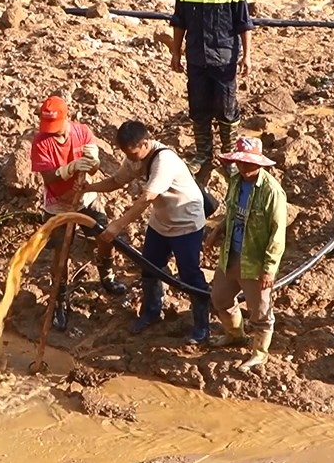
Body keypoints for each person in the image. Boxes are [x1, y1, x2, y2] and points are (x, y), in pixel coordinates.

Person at [81, 120, 211, 343]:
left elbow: (146, 199)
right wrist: (89, 187)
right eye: (127, 155)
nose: (131, 159)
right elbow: (116, 180)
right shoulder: (134, 159)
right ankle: (151, 311)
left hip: (185, 223)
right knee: (150, 267)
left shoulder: (164, 161)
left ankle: (202, 326)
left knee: (189, 274)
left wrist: (117, 225)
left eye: (133, 154)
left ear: (146, 143)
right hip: (161, 222)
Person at [30, 95, 127, 331]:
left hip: (86, 200)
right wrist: (69, 168)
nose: (52, 132)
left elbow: (94, 168)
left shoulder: (82, 132)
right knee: (61, 254)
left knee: (105, 235)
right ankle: (60, 298)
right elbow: (49, 178)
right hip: (57, 205)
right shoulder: (41, 142)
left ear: (68, 116)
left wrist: (92, 162)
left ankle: (107, 274)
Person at [169, 0, 255, 173]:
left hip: (224, 58)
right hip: (196, 57)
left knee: (227, 107)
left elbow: (244, 24)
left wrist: (246, 56)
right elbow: (179, 21)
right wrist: (176, 52)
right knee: (198, 106)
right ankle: (203, 153)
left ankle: (229, 155)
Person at [205, 137, 286, 372]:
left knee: (260, 312)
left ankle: (260, 353)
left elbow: (277, 234)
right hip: (231, 253)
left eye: (249, 164)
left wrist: (269, 268)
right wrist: (217, 231)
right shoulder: (235, 181)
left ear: (260, 164)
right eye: (241, 163)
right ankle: (235, 334)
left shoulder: (272, 192)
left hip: (255, 261)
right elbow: (231, 213)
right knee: (220, 298)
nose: (244, 168)